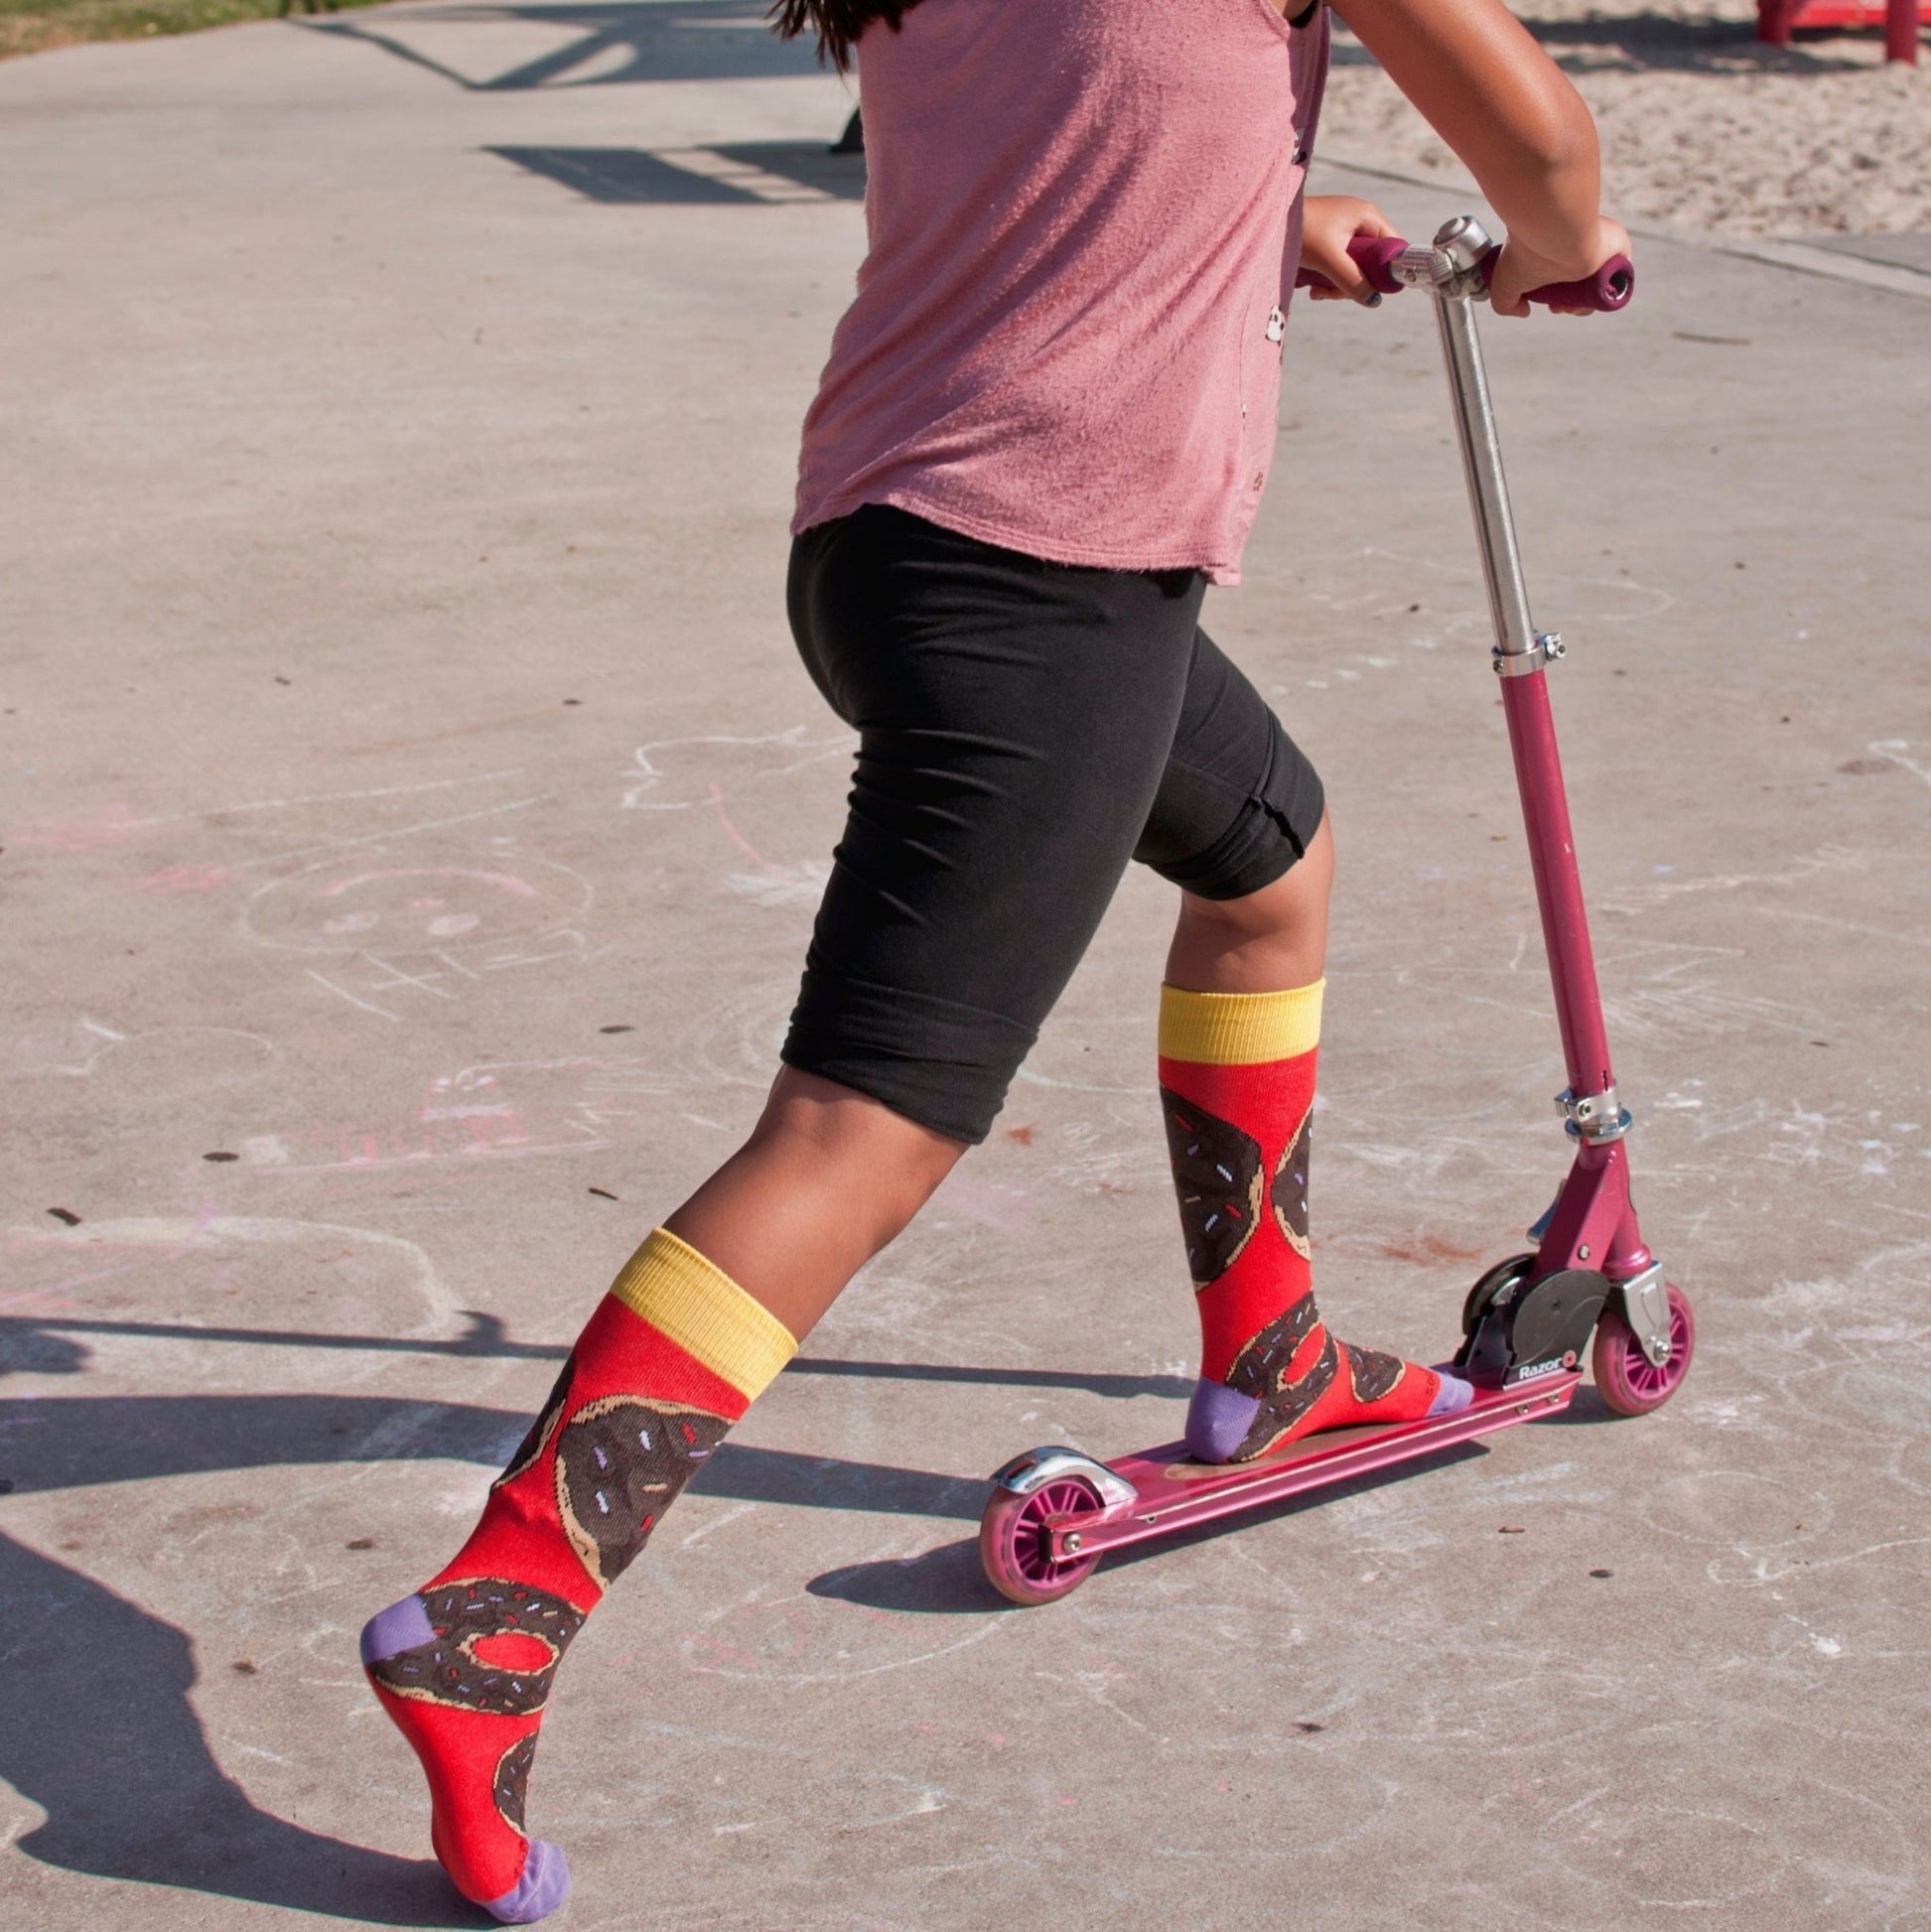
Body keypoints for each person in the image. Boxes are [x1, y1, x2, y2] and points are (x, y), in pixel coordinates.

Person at [357, 0, 1632, 1917]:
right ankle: (495, 1615)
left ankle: (1273, 1356)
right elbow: (1539, 148)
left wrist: (1262, 212)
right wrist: (1561, 252)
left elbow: (1063, 120)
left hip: (887, 542)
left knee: (1268, 855)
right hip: (1049, 586)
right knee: (853, 1135)